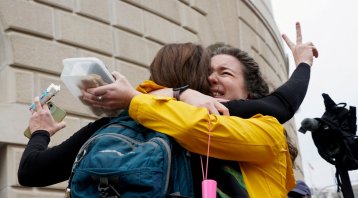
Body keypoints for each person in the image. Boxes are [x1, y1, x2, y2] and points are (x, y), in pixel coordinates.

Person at [18, 22, 316, 197]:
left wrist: (41, 131)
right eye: (212, 74)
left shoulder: (121, 121)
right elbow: (279, 105)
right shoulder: (225, 118)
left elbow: (31, 172)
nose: (214, 82)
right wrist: (174, 95)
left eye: (225, 74)